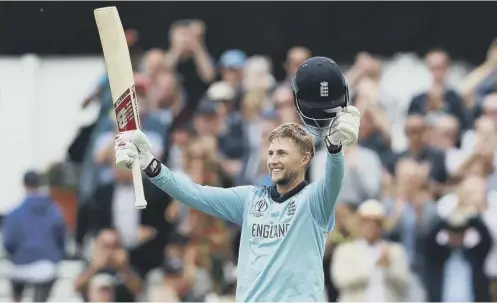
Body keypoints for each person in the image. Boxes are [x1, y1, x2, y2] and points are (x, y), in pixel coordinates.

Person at [114, 56, 360, 301]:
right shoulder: (250, 199)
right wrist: (150, 163)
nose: (273, 160)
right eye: (271, 152)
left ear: (306, 158)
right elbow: (194, 194)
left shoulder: (315, 201)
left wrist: (334, 148)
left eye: (282, 153)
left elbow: (333, 179)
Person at [3, 170, 67, 302]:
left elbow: (8, 242)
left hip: (20, 265)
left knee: (16, 287)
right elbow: (61, 238)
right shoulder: (54, 211)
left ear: (24, 184)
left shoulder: (15, 213)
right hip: (47, 265)